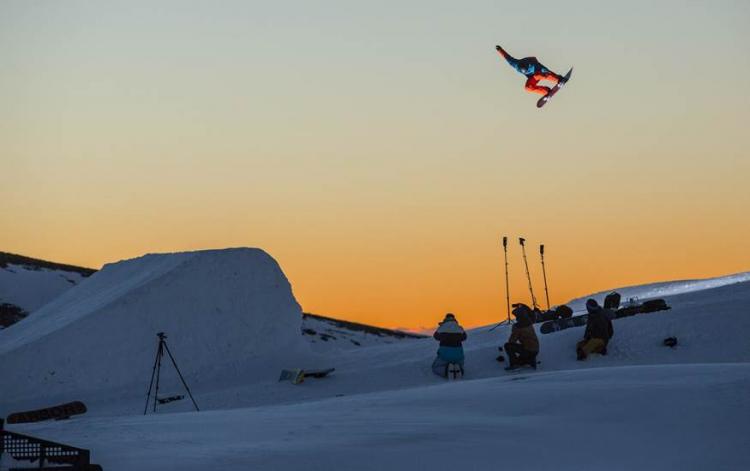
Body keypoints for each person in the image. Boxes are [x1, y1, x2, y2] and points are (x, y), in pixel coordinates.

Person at [495, 45, 565, 97]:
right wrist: (500, 49)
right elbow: (507, 57)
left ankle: (558, 79)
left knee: (542, 74)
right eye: (524, 72)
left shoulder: (532, 64)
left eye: (527, 71)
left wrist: (558, 78)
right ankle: (545, 91)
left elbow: (545, 71)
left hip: (538, 72)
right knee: (527, 88)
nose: (525, 72)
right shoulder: (515, 64)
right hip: (532, 78)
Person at [504, 303, 540, 370]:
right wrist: (521, 304)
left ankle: (514, 364)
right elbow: (529, 310)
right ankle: (530, 362)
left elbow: (512, 340)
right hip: (536, 350)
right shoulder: (530, 322)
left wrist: (514, 330)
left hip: (528, 351)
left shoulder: (518, 326)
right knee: (528, 347)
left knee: (508, 346)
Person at [432, 313, 467, 377]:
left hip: (445, 355)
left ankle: (446, 370)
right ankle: (459, 368)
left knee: (435, 367)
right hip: (458, 355)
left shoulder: (442, 327)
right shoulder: (459, 328)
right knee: (460, 362)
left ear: (445, 319)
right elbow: (464, 337)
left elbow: (436, 336)